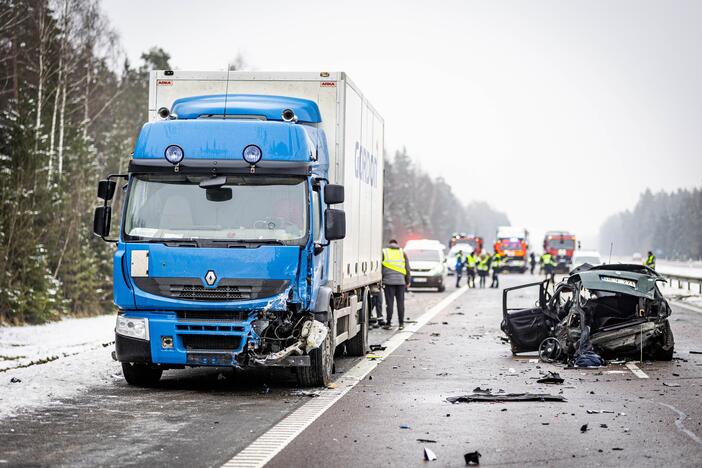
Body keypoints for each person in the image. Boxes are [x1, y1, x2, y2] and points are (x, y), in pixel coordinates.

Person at [381, 239, 411, 330]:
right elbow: (407, 267)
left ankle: (389, 323)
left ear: (389, 244)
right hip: (401, 282)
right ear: (397, 244)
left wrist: (381, 279)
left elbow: (380, 267)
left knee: (389, 303)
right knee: (400, 303)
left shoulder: (384, 252)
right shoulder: (402, 252)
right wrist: (408, 281)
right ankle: (401, 323)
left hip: (388, 282)